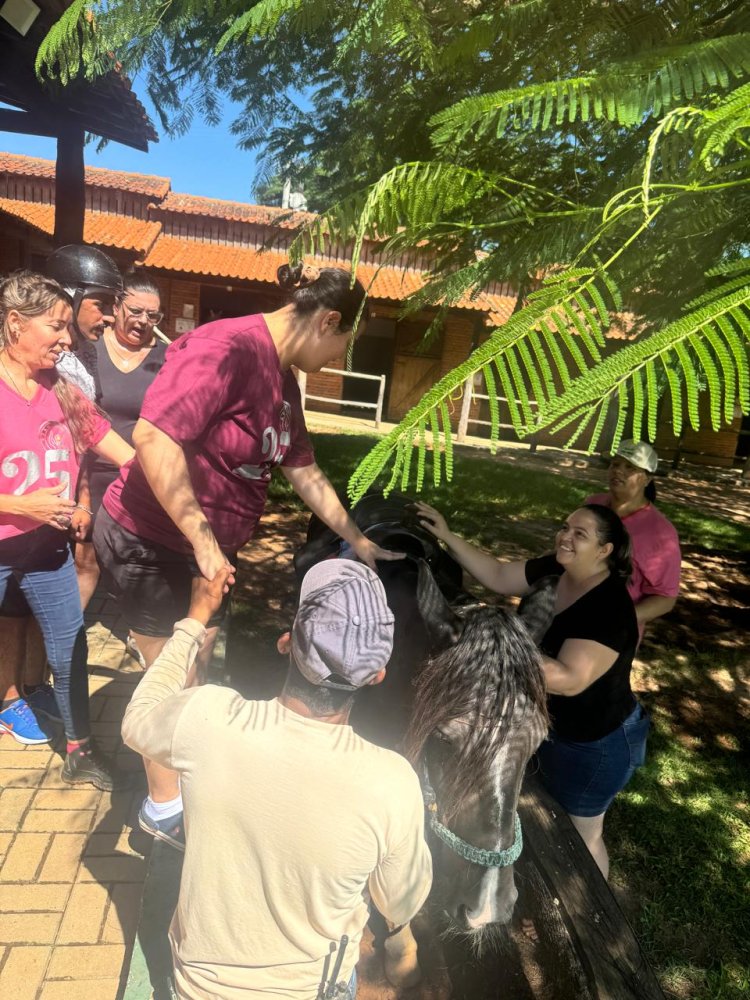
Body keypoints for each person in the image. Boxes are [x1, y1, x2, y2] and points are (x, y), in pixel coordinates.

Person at [95, 262, 404, 850]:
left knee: (199, 658)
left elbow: (301, 467)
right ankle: (163, 811)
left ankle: (188, 775)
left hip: (203, 552)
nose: (341, 358)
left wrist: (358, 541)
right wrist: (206, 542)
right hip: (154, 539)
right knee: (173, 671)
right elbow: (153, 438)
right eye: (347, 343)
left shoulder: (281, 377)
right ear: (329, 321)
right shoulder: (227, 347)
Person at [121, 559, 432, 999]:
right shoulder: (392, 782)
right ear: (376, 675)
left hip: (197, 988)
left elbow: (138, 717)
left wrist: (195, 620)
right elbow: (400, 902)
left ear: (286, 643)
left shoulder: (209, 719)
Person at [416, 499, 649, 879]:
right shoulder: (558, 569)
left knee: (583, 832)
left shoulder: (610, 609)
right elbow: (497, 574)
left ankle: (595, 913)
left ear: (605, 551)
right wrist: (447, 536)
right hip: (552, 724)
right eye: (565, 527)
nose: (565, 537)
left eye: (580, 534)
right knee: (541, 814)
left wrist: (490, 649)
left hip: (595, 743)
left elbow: (570, 678)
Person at [0, 271, 133, 788]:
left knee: (70, 645)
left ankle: (81, 748)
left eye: (66, 326)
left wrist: (172, 479)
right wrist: (19, 505)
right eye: (54, 326)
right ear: (14, 323)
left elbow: (125, 455)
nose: (67, 337)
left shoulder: (64, 393)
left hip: (46, 550)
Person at [74, 270, 167, 609]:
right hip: (91, 473)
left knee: (137, 560)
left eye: (153, 315)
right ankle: (68, 643)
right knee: (86, 561)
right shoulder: (89, 349)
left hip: (141, 477)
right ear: (118, 306)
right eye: (136, 311)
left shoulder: (167, 359)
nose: (143, 321)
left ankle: (138, 630)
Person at [587, 439, 681, 640]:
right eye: (615, 464)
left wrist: (622, 619)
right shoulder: (592, 504)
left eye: (630, 467)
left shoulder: (661, 533)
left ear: (647, 478)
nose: (618, 471)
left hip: (611, 636)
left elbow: (666, 597)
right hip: (568, 610)